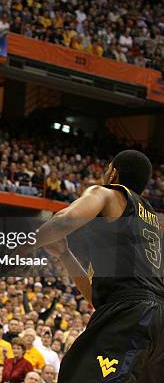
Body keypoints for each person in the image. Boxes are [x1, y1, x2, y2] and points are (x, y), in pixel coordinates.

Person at [27, 150, 164, 382]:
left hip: (131, 315)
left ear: (113, 173)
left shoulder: (108, 194)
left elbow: (65, 220)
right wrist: (65, 255)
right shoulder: (148, 225)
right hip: (154, 324)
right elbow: (97, 298)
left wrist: (22, 245)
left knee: (76, 372)